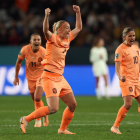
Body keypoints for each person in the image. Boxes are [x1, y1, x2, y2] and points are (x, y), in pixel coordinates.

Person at [20, 5, 82, 134]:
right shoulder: (53, 39)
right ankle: (25, 119)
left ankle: (62, 129)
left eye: (69, 28)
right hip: (49, 77)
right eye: (66, 28)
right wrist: (46, 16)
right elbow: (45, 31)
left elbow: (79, 28)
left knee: (72, 105)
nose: (69, 30)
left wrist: (78, 13)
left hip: (60, 78)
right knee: (53, 108)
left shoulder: (68, 39)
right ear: (59, 30)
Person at [13, 33, 49, 127]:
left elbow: (49, 65)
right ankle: (44, 113)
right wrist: (16, 76)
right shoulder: (25, 49)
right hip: (30, 78)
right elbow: (18, 62)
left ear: (40, 42)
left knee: (37, 98)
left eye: (38, 40)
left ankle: (38, 120)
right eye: (35, 40)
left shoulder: (44, 51)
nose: (37, 41)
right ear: (31, 42)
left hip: (41, 77)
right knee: (35, 100)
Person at [110, 27, 140, 134]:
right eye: (130, 36)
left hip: (136, 80)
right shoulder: (120, 49)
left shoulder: (136, 47)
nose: (132, 37)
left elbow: (137, 64)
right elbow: (117, 65)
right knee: (128, 104)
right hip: (126, 80)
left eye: (133, 35)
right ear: (124, 37)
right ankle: (115, 127)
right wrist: (119, 76)